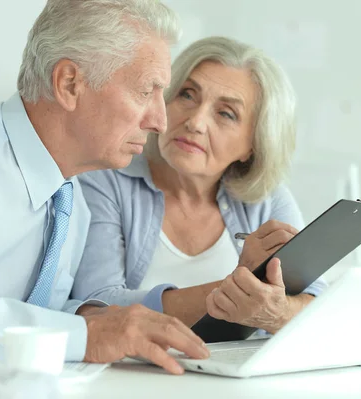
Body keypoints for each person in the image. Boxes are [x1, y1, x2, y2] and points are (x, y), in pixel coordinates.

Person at [0, 0, 209, 375]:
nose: (160, 121)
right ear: (69, 83)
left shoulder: (71, 200)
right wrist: (86, 334)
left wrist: (107, 320)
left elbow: (34, 312)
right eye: (147, 91)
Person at [73, 36, 326, 334]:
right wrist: (240, 287)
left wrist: (278, 312)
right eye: (187, 95)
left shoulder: (268, 200)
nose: (195, 122)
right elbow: (97, 305)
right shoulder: (105, 179)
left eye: (225, 113)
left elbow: (317, 298)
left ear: (253, 145)